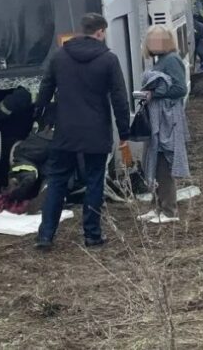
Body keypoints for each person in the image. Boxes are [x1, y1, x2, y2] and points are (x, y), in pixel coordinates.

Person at [33, 13, 131, 250]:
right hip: (96, 131)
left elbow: (44, 90)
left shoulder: (59, 56)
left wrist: (40, 118)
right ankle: (92, 235)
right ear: (99, 32)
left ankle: (46, 235)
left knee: (56, 181)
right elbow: (119, 97)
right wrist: (124, 130)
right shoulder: (108, 59)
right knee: (94, 181)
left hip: (65, 131)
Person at [137, 26, 189, 224]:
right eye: (151, 40)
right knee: (154, 162)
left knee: (164, 163)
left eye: (158, 40)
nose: (154, 44)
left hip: (167, 120)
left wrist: (154, 94)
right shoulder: (160, 60)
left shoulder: (172, 60)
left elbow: (180, 89)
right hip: (158, 117)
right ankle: (157, 206)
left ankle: (168, 210)